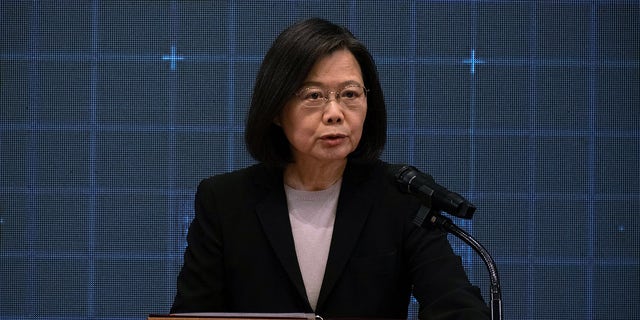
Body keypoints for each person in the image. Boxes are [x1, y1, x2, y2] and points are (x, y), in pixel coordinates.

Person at [171, 18, 490, 319]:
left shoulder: (401, 197)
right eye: (314, 95)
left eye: (350, 94)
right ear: (276, 110)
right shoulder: (225, 202)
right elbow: (194, 314)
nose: (335, 113)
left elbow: (457, 307)